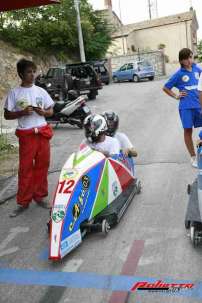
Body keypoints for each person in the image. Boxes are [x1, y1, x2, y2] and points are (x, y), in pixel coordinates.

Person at [4, 58, 54, 217]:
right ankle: (23, 202)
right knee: (25, 169)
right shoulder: (14, 93)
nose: (32, 75)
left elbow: (51, 111)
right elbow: (6, 114)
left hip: (43, 133)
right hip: (26, 135)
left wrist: (44, 113)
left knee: (42, 166)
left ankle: (40, 197)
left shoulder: (41, 91)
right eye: (28, 72)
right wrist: (22, 113)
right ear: (20, 74)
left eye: (34, 71)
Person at [163, 48, 202, 168]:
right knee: (188, 131)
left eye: (191, 57)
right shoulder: (179, 74)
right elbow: (166, 87)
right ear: (181, 60)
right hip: (186, 107)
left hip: (199, 105)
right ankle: (193, 157)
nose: (189, 60)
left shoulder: (197, 69)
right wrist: (176, 96)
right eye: (186, 58)